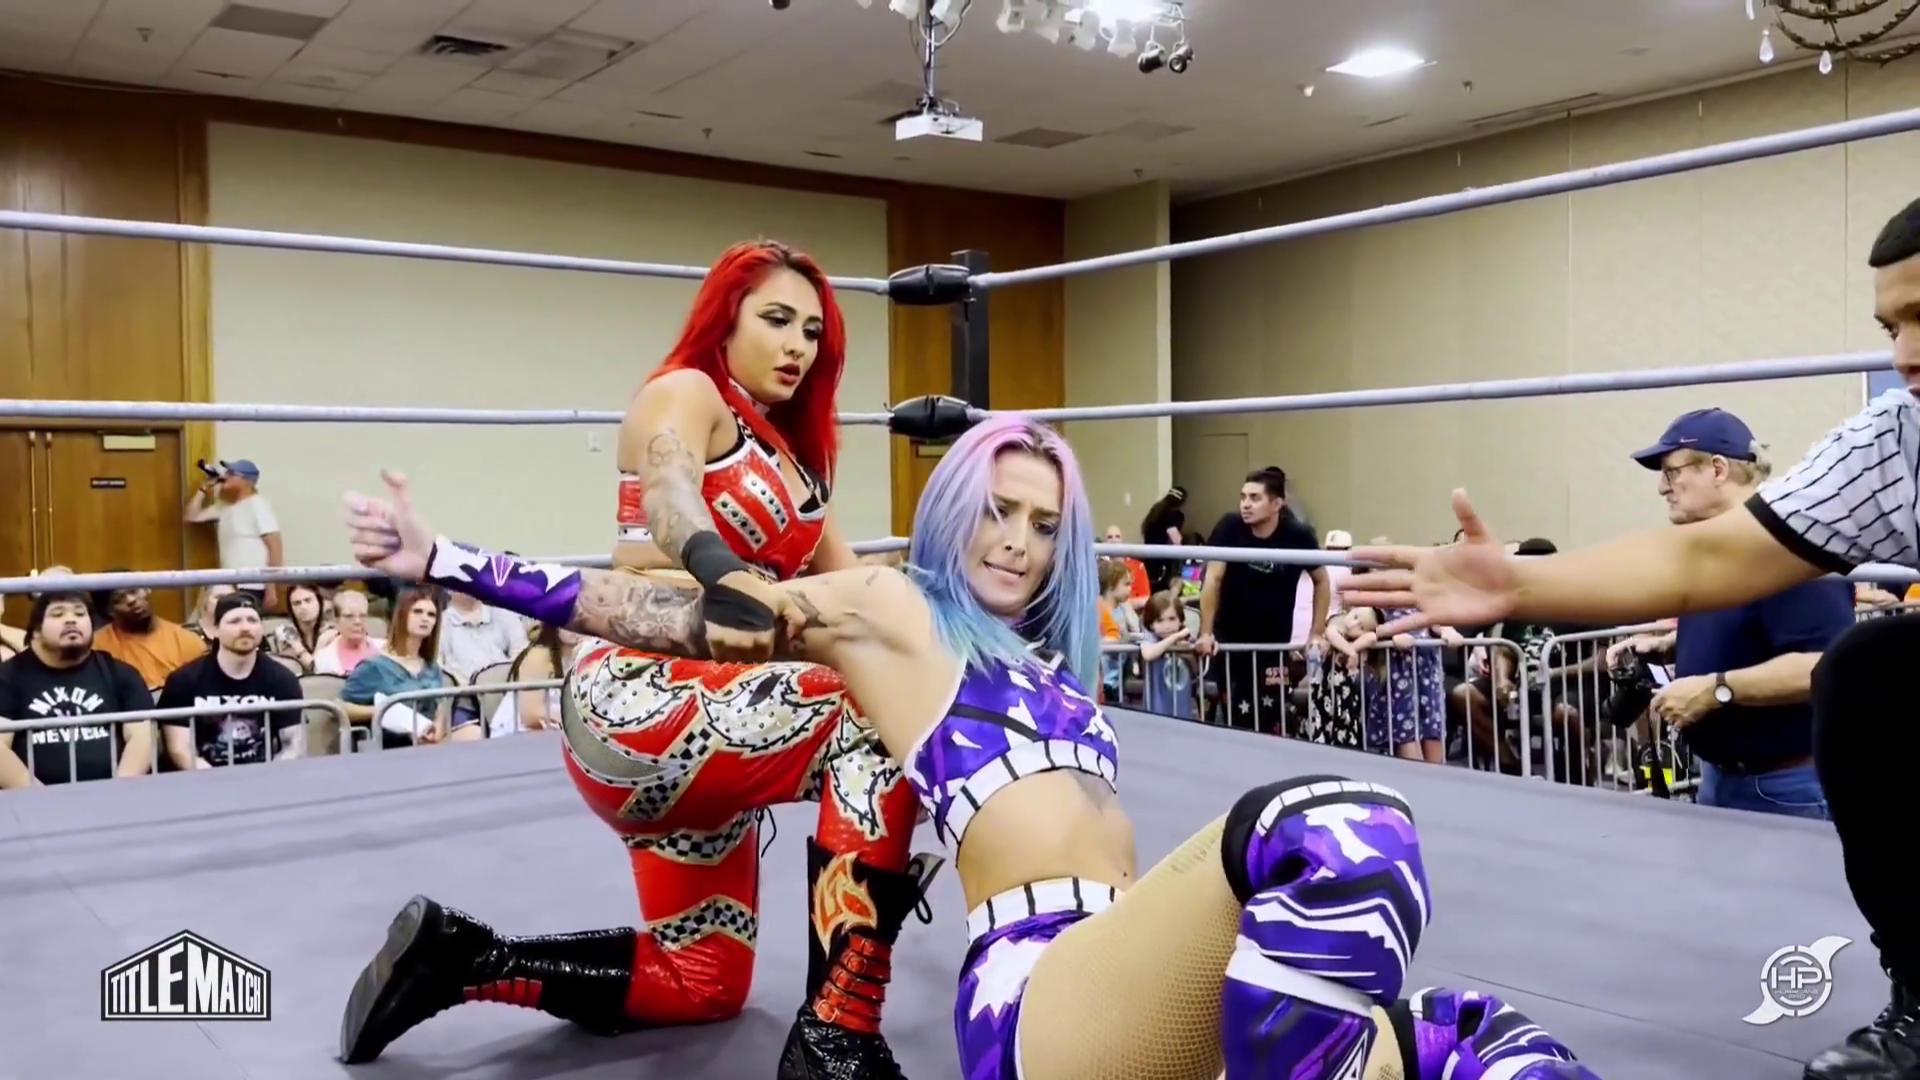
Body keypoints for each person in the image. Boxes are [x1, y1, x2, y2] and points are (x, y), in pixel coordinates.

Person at [339, 416, 1603, 1080]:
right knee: (1343, 829)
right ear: (957, 513)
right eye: (997, 511)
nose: (1016, 541)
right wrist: (447, 559)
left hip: (1126, 982)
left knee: (1475, 1038)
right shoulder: (895, 615)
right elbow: (670, 613)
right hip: (1040, 996)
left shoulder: (1058, 674)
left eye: (1044, 524)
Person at [1344, 194, 1920, 1080]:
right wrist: (1520, 586)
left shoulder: (1812, 570)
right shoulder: (1893, 442)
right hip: (1733, 772)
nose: (1904, 355)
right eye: (1890, 328)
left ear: (1719, 467)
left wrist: (1720, 687)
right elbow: (1702, 563)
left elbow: (1791, 645)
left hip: (1782, 777)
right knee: (1873, 670)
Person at [336, 240, 935, 1080]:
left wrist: (970, 624)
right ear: (725, 320)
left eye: (813, 331)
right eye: (776, 319)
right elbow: (669, 495)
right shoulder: (686, 392)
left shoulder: (800, 465)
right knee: (873, 715)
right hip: (642, 697)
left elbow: (864, 591)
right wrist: (722, 571)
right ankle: (839, 1036)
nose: (797, 345)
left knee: (703, 981)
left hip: (725, 727)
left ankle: (463, 961)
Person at [1601, 408, 1851, 818]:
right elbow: (1752, 625)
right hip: (1721, 778)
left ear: (1718, 469)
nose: (1663, 488)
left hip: (1785, 789)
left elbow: (1824, 665)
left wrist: (1715, 689)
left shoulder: (1789, 548)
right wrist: (1670, 645)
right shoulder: (1727, 546)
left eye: (1672, 472)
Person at [1196, 467, 1327, 732]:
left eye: (1255, 498)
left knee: (1270, 721)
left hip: (1273, 646)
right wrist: (1206, 632)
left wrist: (1316, 632)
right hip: (1229, 643)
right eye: (1243, 497)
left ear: (1277, 504)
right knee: (1232, 721)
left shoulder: (1298, 535)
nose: (1246, 504)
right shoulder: (1229, 526)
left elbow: (1322, 580)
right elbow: (1213, 579)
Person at [0, 591, 155, 787]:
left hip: (116, 795)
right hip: (32, 799)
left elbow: (143, 737)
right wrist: (39, 796)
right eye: (58, 614)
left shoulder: (120, 673)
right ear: (36, 630)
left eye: (80, 614)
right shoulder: (8, 676)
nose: (71, 620)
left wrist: (118, 790)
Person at [156, 593, 305, 769]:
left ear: (262, 629)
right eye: (234, 621)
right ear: (216, 630)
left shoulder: (282, 679)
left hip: (264, 777)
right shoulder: (184, 680)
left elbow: (293, 746)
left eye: (252, 620)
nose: (245, 628)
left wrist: (266, 778)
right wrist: (220, 780)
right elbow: (180, 750)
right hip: (201, 779)